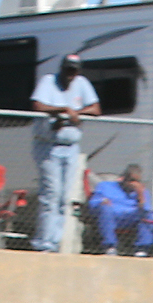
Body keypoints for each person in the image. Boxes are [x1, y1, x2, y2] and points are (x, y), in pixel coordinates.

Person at [31, 54, 100, 252]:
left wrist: (76, 114)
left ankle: (54, 242)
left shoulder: (82, 83)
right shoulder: (48, 81)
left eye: (74, 70)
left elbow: (96, 109)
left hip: (71, 148)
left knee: (64, 198)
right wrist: (62, 110)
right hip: (48, 145)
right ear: (61, 68)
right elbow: (37, 105)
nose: (71, 74)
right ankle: (43, 243)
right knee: (51, 194)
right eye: (68, 69)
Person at [87, 164, 153, 254]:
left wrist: (140, 195)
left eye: (137, 181)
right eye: (131, 180)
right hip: (111, 215)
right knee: (105, 209)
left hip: (131, 218)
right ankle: (110, 246)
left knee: (148, 215)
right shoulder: (105, 186)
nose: (133, 184)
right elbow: (93, 203)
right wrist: (102, 202)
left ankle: (142, 249)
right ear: (123, 178)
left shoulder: (142, 191)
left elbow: (145, 210)